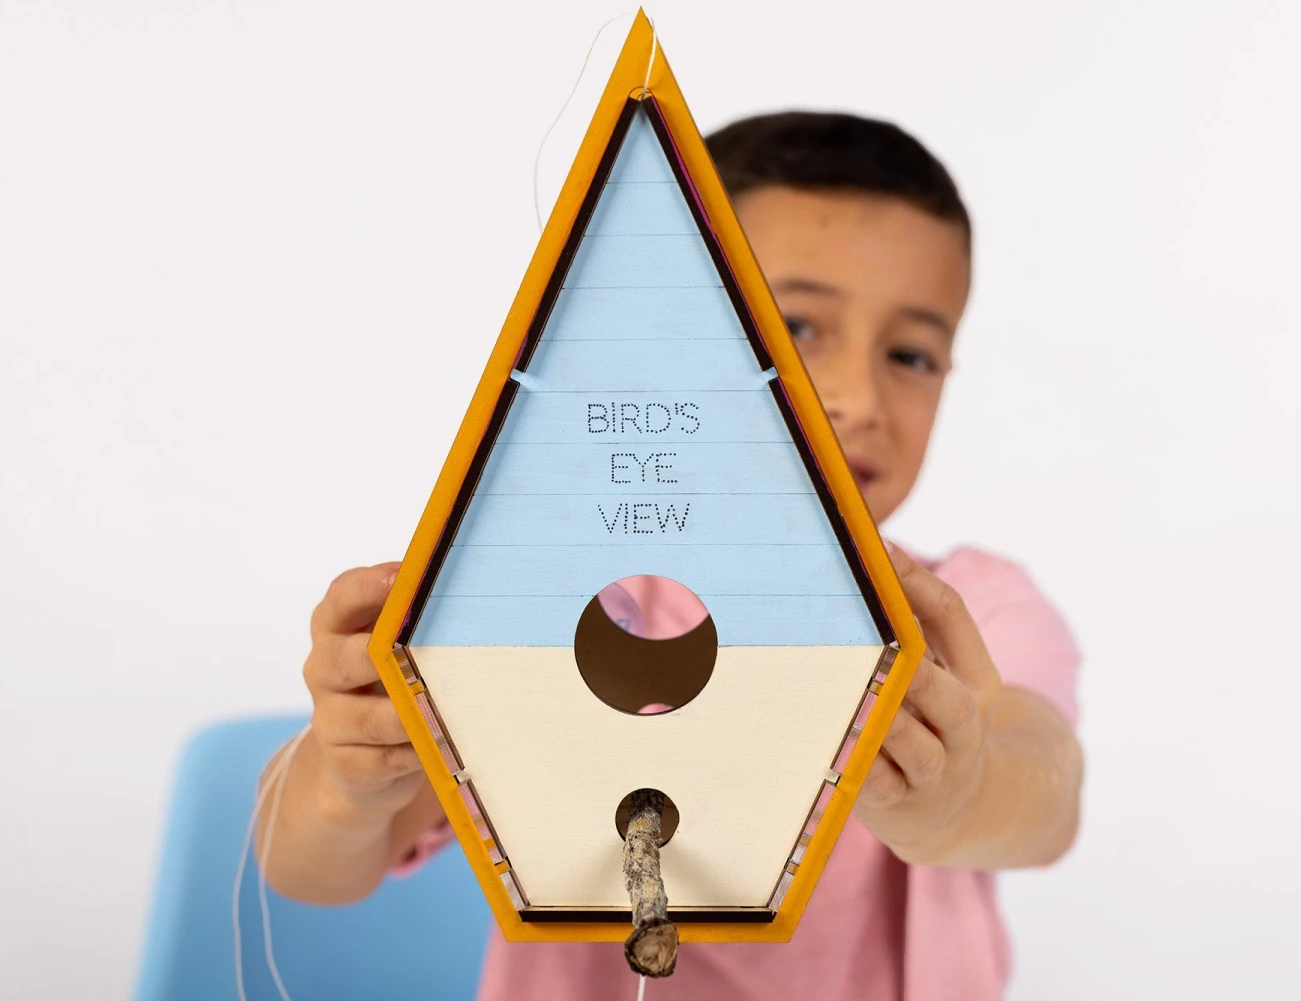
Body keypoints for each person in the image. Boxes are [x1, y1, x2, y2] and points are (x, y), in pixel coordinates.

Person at [259, 111, 1084, 1000]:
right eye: (797, 327)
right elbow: (308, 868)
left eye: (911, 354)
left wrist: (963, 792)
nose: (858, 396)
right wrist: (346, 782)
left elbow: (1047, 793)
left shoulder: (975, 606)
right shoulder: (545, 602)